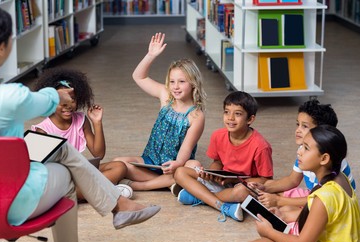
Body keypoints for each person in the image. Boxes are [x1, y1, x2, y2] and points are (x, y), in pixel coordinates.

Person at [0, 4, 160, 242]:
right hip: (12, 203)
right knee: (66, 171)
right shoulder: (11, 96)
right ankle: (94, 235)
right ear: (1, 48)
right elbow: (46, 101)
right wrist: (58, 94)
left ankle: (120, 207)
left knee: (61, 153)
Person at [244, 125, 360, 242]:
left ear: (324, 159)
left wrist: (269, 232)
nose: (299, 152)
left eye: (306, 148)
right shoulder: (340, 178)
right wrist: (282, 215)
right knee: (285, 224)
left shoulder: (324, 196)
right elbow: (322, 217)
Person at [113, 32, 206, 191]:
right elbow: (139, 77)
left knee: (194, 166)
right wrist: (150, 55)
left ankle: (142, 186)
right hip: (150, 160)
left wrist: (177, 163)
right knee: (118, 162)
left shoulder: (196, 115)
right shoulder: (166, 96)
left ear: (193, 83)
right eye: (172, 81)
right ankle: (169, 183)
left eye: (181, 82)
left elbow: (186, 148)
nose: (175, 86)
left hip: (175, 165)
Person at [31, 68, 132, 200]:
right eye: (61, 100)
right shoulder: (42, 130)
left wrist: (97, 122)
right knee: (56, 189)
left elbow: (98, 154)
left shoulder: (81, 120)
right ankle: (105, 190)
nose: (67, 105)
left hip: (79, 173)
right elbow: (41, 170)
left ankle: (90, 192)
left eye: (72, 99)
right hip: (58, 179)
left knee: (119, 167)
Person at [174, 91, 273, 222]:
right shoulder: (218, 135)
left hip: (240, 186)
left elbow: (266, 179)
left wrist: (234, 181)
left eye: (237, 114)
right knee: (180, 172)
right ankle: (218, 202)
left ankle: (204, 198)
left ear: (250, 119)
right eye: (227, 112)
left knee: (241, 192)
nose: (230, 118)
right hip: (221, 182)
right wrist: (212, 173)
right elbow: (217, 161)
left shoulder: (261, 146)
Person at [252, 100, 356, 211]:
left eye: (304, 126)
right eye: (298, 124)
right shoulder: (303, 151)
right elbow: (292, 180)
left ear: (322, 133)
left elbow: (321, 200)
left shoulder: (330, 161)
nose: (298, 130)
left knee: (286, 209)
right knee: (272, 190)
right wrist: (266, 188)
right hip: (315, 195)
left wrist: (279, 201)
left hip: (332, 205)